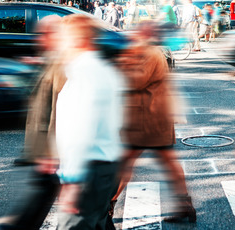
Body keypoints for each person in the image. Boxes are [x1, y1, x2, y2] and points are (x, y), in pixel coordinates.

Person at [111, 22, 195, 223]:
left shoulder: (149, 53)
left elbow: (135, 81)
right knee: (165, 162)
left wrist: (122, 62)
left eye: (137, 32)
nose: (132, 35)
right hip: (149, 118)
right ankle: (185, 206)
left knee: (125, 162)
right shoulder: (144, 51)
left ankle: (109, 204)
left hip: (148, 119)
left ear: (146, 34)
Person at [55, 14, 124, 229]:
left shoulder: (85, 72)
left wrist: (72, 180)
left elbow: (84, 128)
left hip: (88, 172)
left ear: (78, 39)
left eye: (63, 38)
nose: (59, 44)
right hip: (102, 168)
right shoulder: (102, 70)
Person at [0, 16, 67, 230]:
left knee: (48, 192)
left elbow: (58, 111)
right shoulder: (53, 59)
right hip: (48, 150)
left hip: (52, 149)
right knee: (46, 191)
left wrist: (51, 153)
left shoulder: (61, 63)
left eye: (44, 34)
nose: (39, 39)